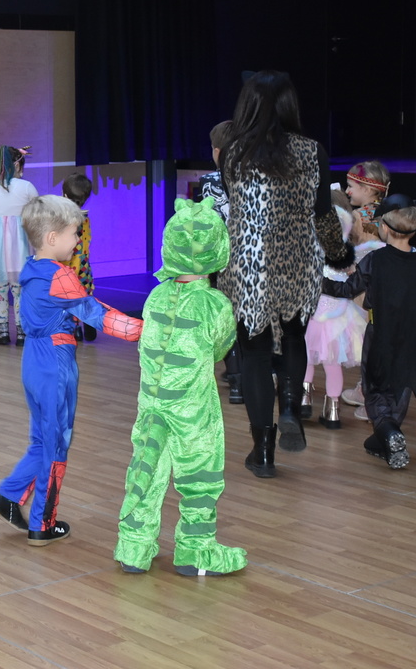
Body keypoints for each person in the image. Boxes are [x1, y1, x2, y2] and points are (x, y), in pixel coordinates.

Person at [0, 195, 142, 546]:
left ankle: (8, 496)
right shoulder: (61, 276)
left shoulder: (32, 268)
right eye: (74, 234)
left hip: (33, 361)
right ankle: (42, 523)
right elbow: (97, 315)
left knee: (42, 439)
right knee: (56, 444)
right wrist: (149, 330)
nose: (78, 241)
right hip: (56, 362)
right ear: (52, 237)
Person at [216, 70, 351, 478]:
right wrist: (340, 254)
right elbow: (323, 213)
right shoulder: (312, 151)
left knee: (255, 355)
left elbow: (234, 207)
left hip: (249, 265)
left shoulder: (234, 152)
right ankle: (291, 406)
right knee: (293, 337)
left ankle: (263, 451)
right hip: (298, 261)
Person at [114, 197, 247, 577]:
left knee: (145, 471)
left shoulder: (155, 295)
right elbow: (221, 348)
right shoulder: (215, 304)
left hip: (151, 404)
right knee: (200, 475)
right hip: (192, 409)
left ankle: (133, 548)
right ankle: (196, 551)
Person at [321, 195, 416, 468]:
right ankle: (388, 437)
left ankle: (389, 432)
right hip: (410, 338)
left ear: (384, 228)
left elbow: (346, 289)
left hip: (381, 336)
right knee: (400, 386)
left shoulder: (376, 260)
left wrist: (318, 281)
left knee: (376, 389)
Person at [301, 190, 367, 429]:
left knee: (305, 357)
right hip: (339, 317)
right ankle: (332, 412)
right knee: (332, 364)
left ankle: (303, 399)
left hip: (313, 313)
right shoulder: (346, 250)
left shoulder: (313, 245)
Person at [338, 161, 391, 418]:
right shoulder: (390, 214)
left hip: (364, 289)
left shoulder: (358, 218)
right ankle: (368, 390)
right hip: (386, 286)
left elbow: (345, 250)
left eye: (351, 186)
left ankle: (373, 398)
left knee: (369, 342)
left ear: (369, 189)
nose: (348, 191)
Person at [197, 119, 242, 405]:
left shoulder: (210, 182)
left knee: (227, 320)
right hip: (255, 262)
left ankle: (237, 382)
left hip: (223, 263)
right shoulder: (259, 178)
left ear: (217, 150)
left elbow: (209, 227)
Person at [0, 145, 37, 346]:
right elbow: (37, 213)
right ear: (18, 165)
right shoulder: (26, 187)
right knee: (21, 288)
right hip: (20, 244)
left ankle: (1, 329)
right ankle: (23, 331)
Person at [62, 173, 96, 341]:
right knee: (83, 294)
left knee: (67, 297)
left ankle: (73, 329)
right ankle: (85, 321)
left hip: (67, 266)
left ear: (65, 195)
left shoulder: (63, 220)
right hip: (83, 266)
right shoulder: (85, 219)